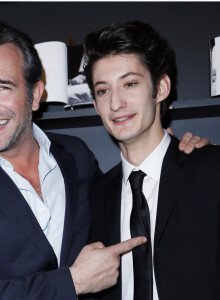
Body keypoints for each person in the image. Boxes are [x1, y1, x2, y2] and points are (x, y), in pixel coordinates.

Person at [0, 21, 209, 300]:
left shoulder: (76, 156)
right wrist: (74, 281)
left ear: (35, 95)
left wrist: (181, 155)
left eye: (2, 87)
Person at [83, 21, 220, 300]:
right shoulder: (93, 196)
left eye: (130, 83)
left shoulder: (212, 170)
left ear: (160, 88)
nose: (115, 103)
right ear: (95, 105)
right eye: (103, 90)